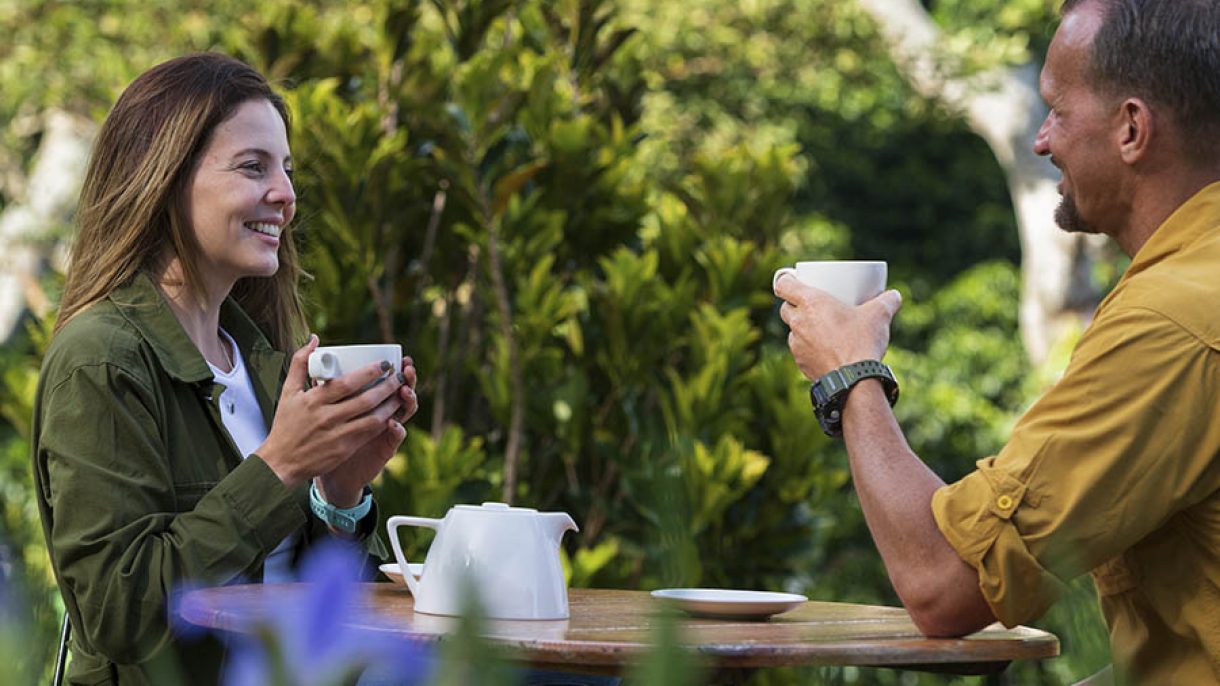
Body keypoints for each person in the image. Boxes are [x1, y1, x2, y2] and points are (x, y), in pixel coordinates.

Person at [774, 0, 1220, 683]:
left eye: (1057, 111)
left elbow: (944, 583)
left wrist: (849, 374)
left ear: (1132, 128)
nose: (1041, 140)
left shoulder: (1171, 321)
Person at [32, 53, 419, 685]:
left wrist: (339, 495)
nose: (286, 195)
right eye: (253, 166)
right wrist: (281, 467)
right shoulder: (101, 359)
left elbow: (336, 614)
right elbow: (118, 613)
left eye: (287, 169)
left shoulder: (266, 362)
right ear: (165, 179)